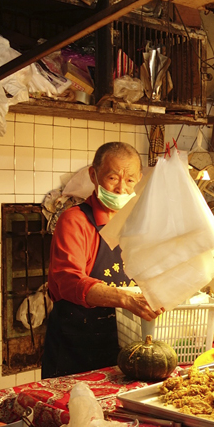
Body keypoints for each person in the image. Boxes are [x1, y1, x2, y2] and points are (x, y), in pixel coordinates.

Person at [42, 142, 161, 377]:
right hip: (77, 348)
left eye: (129, 181)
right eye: (113, 178)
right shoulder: (74, 221)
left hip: (127, 346)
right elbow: (67, 280)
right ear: (93, 176)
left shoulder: (140, 223)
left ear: (139, 179)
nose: (120, 189)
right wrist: (124, 298)